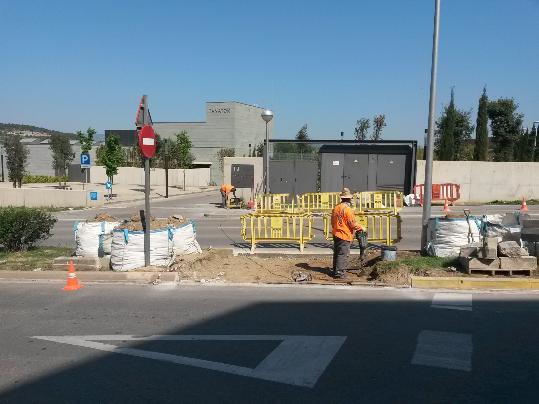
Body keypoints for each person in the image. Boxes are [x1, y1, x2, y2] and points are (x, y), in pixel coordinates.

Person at [331, 188, 364, 279]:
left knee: (337, 253)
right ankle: (340, 273)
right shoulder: (348, 210)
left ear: (342, 198)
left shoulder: (336, 207)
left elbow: (332, 221)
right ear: (349, 199)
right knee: (343, 254)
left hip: (336, 233)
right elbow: (352, 223)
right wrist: (361, 228)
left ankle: (335, 270)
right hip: (344, 235)